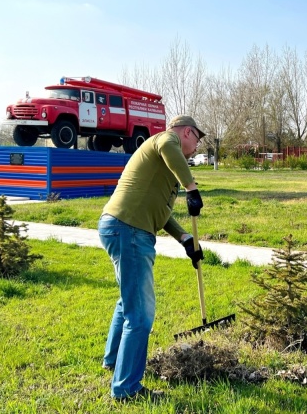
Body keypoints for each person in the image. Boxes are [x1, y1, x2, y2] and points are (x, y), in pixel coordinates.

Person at [98, 115, 206, 402]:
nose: (197, 146)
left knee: (128, 301)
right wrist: (191, 188)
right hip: (129, 229)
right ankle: (126, 389)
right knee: (141, 315)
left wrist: (185, 239)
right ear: (186, 132)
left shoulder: (163, 167)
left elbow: (161, 211)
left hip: (121, 226)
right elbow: (169, 146)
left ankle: (112, 361)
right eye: (197, 138)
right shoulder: (164, 140)